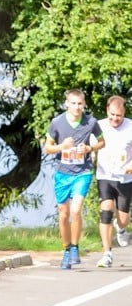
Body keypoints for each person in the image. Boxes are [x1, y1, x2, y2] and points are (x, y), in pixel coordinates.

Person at [43, 88, 104, 270]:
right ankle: (67, 249)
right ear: (66, 104)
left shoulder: (91, 122)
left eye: (80, 104)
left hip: (82, 172)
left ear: (84, 104)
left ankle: (76, 247)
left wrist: (90, 149)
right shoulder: (57, 122)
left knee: (76, 211)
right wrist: (62, 146)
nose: (77, 107)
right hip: (62, 173)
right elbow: (48, 148)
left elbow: (102, 142)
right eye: (73, 104)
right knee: (63, 215)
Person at [95, 95, 132, 267]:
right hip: (105, 176)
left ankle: (122, 228)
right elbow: (90, 145)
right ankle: (107, 253)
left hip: (125, 178)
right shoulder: (99, 126)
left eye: (118, 115)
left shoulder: (130, 126)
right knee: (106, 210)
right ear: (107, 111)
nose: (115, 119)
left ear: (124, 112)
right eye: (112, 115)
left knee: (123, 219)